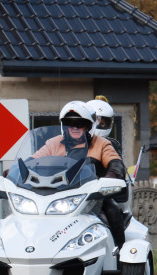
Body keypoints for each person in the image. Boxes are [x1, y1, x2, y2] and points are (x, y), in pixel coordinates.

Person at [33, 101, 127, 250]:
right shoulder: (53, 143)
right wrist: (15, 171)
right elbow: (32, 161)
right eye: (70, 124)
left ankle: (121, 254)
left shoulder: (101, 143)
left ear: (89, 126)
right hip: (55, 197)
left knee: (113, 209)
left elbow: (116, 163)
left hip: (93, 197)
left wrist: (110, 177)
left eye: (80, 124)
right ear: (64, 126)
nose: (75, 128)